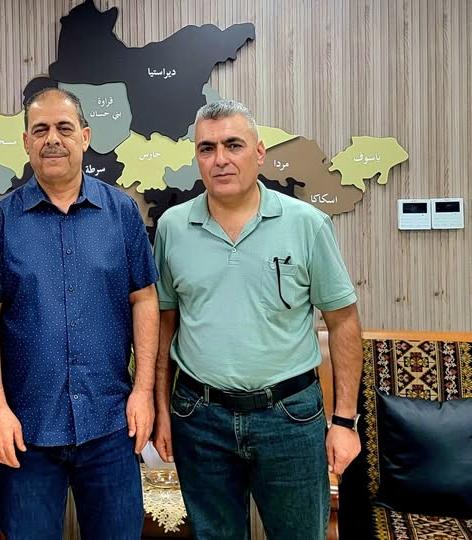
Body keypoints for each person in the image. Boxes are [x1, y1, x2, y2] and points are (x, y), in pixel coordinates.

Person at [152, 99, 363, 540]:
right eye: (207, 148)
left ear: (260, 152)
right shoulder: (172, 227)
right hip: (200, 418)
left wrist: (344, 422)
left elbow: (342, 321)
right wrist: (161, 411)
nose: (220, 159)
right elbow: (164, 324)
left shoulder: (307, 224)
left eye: (233, 145)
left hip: (290, 418)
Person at [0, 87, 159, 539]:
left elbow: (145, 300)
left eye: (64, 128)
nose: (52, 139)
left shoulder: (121, 212)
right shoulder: (0, 221)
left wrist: (143, 391)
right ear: (26, 142)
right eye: (40, 130)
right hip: (26, 428)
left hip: (110, 422)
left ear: (85, 137)